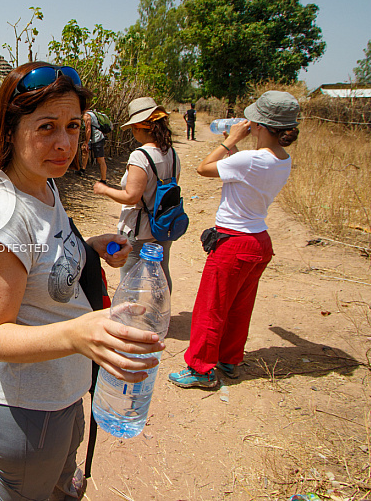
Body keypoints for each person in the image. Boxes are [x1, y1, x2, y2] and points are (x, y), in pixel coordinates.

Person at [0, 62, 165, 501]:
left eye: (74, 126)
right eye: (47, 126)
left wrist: (89, 248)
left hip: (63, 390)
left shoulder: (44, 187)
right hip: (27, 407)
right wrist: (78, 333)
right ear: (11, 130)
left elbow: (39, 261)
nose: (65, 143)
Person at [168, 91, 300, 389]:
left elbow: (203, 168)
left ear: (261, 126)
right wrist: (237, 146)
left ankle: (201, 368)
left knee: (211, 307)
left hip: (234, 243)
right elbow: (245, 171)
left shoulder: (249, 159)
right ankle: (229, 359)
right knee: (240, 307)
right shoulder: (281, 159)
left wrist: (229, 142)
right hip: (258, 241)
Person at [92, 96, 179, 291]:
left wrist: (104, 189)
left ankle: (130, 319)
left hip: (139, 229)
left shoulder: (140, 156)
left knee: (131, 279)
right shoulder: (171, 153)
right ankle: (159, 315)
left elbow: (132, 196)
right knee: (161, 274)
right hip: (163, 225)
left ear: (139, 128)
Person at [78, 109, 108, 182]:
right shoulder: (92, 113)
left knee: (100, 159)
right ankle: (82, 169)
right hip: (93, 137)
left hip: (97, 138)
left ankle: (103, 179)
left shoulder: (86, 116)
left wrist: (86, 142)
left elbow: (88, 130)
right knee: (85, 150)